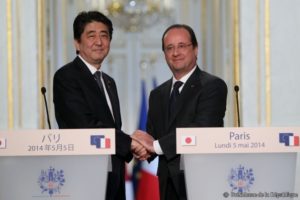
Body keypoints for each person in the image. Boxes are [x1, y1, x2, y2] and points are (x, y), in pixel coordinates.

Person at [53, 11, 148, 200]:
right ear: (77, 43)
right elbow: (85, 126)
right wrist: (130, 143)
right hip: (85, 176)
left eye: (104, 35)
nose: (99, 42)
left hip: (114, 175)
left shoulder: (109, 82)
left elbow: (112, 128)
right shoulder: (66, 77)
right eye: (91, 35)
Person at [132, 24, 228, 200]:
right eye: (170, 48)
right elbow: (152, 138)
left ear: (196, 49)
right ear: (165, 54)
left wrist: (154, 146)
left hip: (200, 182)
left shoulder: (213, 86)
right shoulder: (157, 94)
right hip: (166, 183)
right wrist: (140, 146)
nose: (175, 52)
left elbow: (202, 129)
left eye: (182, 46)